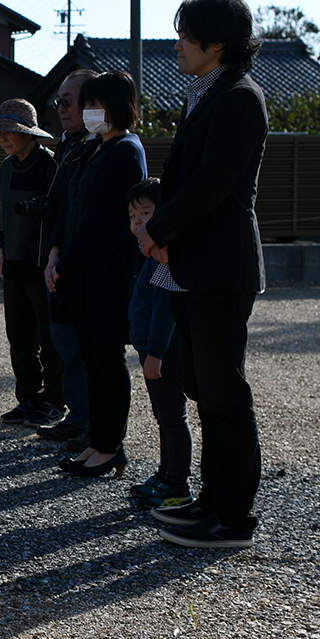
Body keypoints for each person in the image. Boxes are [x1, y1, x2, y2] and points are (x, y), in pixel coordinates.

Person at [137, 0, 269, 551]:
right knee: (206, 390)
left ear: (219, 43)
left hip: (219, 264)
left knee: (223, 393)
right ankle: (212, 500)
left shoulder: (239, 97)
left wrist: (157, 229)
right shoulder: (205, 93)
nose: (178, 44)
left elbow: (213, 184)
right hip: (197, 263)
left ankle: (234, 517)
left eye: (186, 35)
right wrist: (164, 232)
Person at [46, 70, 147, 477]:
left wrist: (64, 263)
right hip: (82, 273)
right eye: (86, 105)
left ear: (119, 106)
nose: (89, 112)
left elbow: (101, 220)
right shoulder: (95, 148)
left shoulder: (125, 149)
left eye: (95, 104)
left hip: (107, 275)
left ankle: (109, 445)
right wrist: (56, 255)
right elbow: (70, 208)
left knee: (106, 360)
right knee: (92, 359)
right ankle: (99, 442)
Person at [0, 98, 64, 426]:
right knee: (19, 338)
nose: (3, 138)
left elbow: (57, 215)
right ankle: (28, 398)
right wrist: (1, 249)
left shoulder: (51, 165)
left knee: (49, 338)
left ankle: (54, 401)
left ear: (29, 133)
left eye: (10, 132)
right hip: (13, 262)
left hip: (40, 263)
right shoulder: (5, 167)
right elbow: (5, 213)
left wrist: (54, 256)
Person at [28, 70, 93, 449]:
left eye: (69, 100)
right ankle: (76, 415)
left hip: (81, 261)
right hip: (59, 254)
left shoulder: (104, 146)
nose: (61, 108)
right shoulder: (69, 143)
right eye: (59, 101)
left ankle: (91, 424)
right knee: (64, 343)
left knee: (85, 350)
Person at [126, 178, 195, 513]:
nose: (138, 221)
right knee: (163, 415)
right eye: (132, 215)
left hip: (164, 351)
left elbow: (166, 309)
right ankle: (166, 474)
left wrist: (155, 352)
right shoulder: (151, 254)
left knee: (172, 416)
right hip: (150, 348)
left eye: (146, 212)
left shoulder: (165, 256)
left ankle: (178, 484)